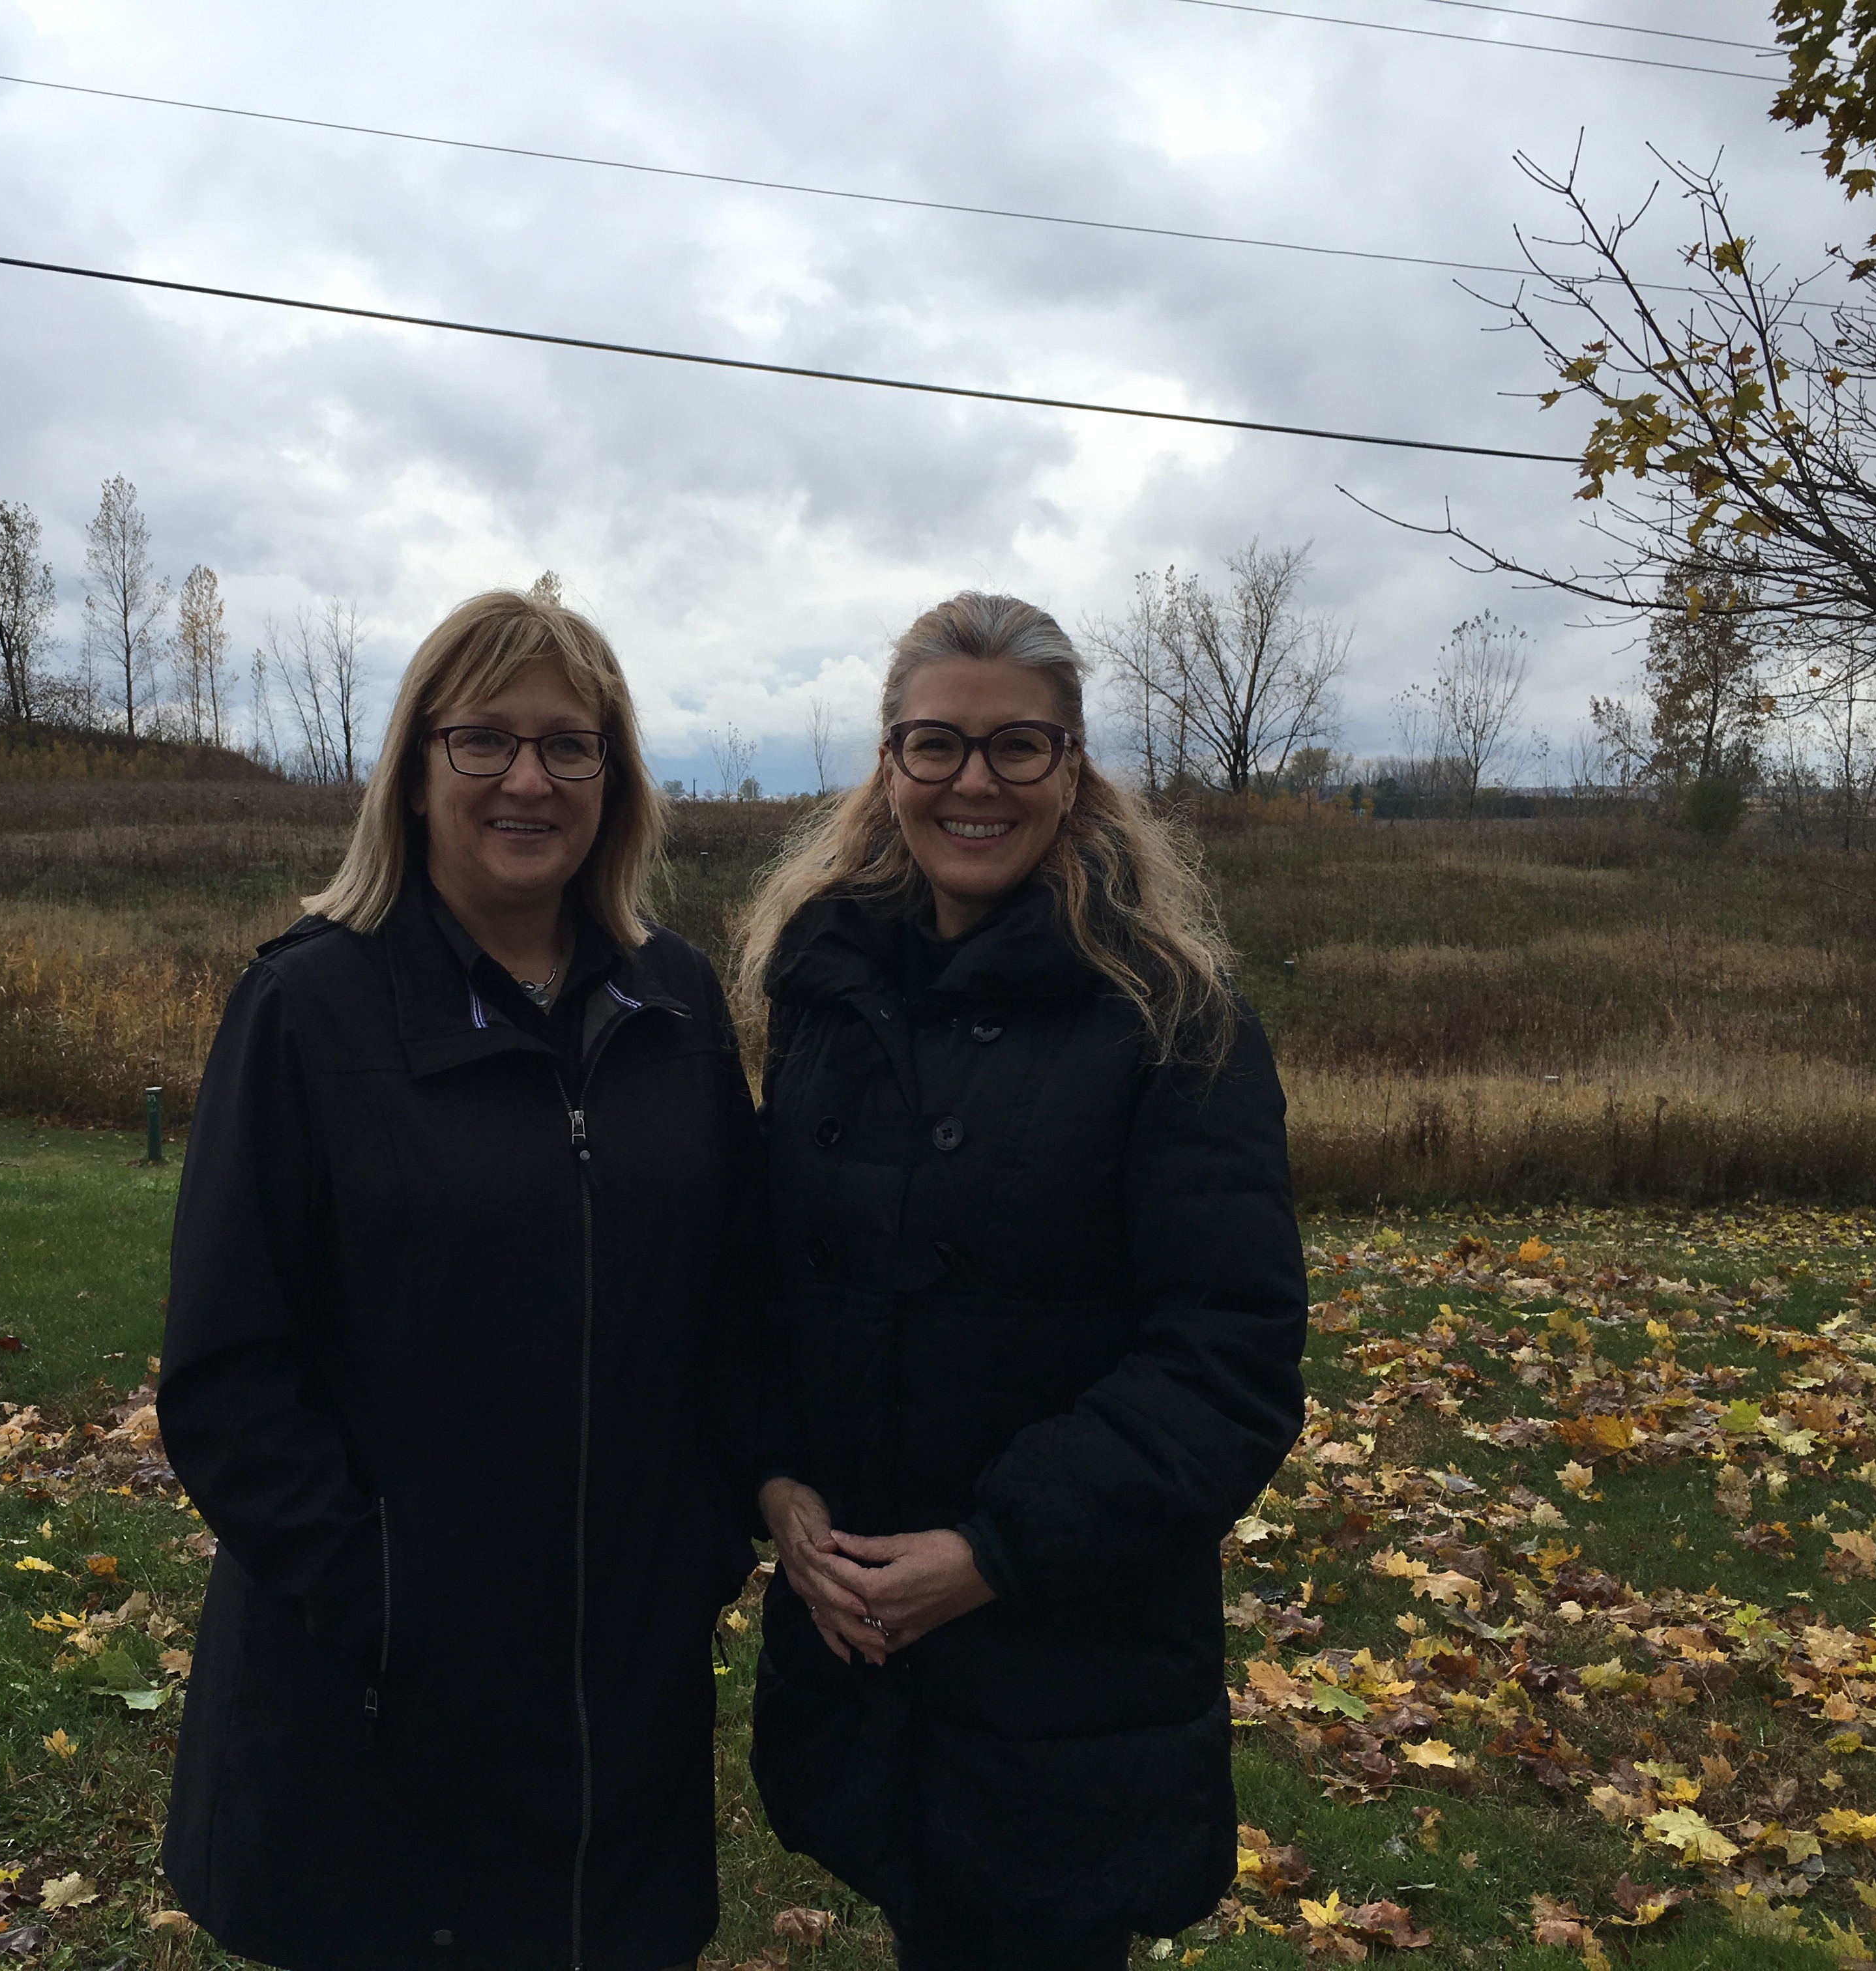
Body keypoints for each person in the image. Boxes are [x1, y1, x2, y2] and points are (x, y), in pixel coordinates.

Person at [156, 587, 763, 1971]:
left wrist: (701, 1546)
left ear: (617, 780)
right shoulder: (308, 1010)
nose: (527, 780)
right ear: (416, 771)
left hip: (622, 1686)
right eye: (482, 740)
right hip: (377, 1692)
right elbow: (226, 1371)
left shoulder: (673, 1005)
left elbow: (734, 1306)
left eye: (569, 745)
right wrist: (384, 1601)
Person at [737, 592, 1307, 1969]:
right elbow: (762, 1283)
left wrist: (994, 1556)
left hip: (1069, 1657)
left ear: (1074, 767)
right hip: (867, 1642)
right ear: (888, 766)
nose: (971, 783)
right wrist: (775, 1478)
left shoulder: (1174, 1023)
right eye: (934, 745)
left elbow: (1225, 1361)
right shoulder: (829, 996)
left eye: (1016, 749)